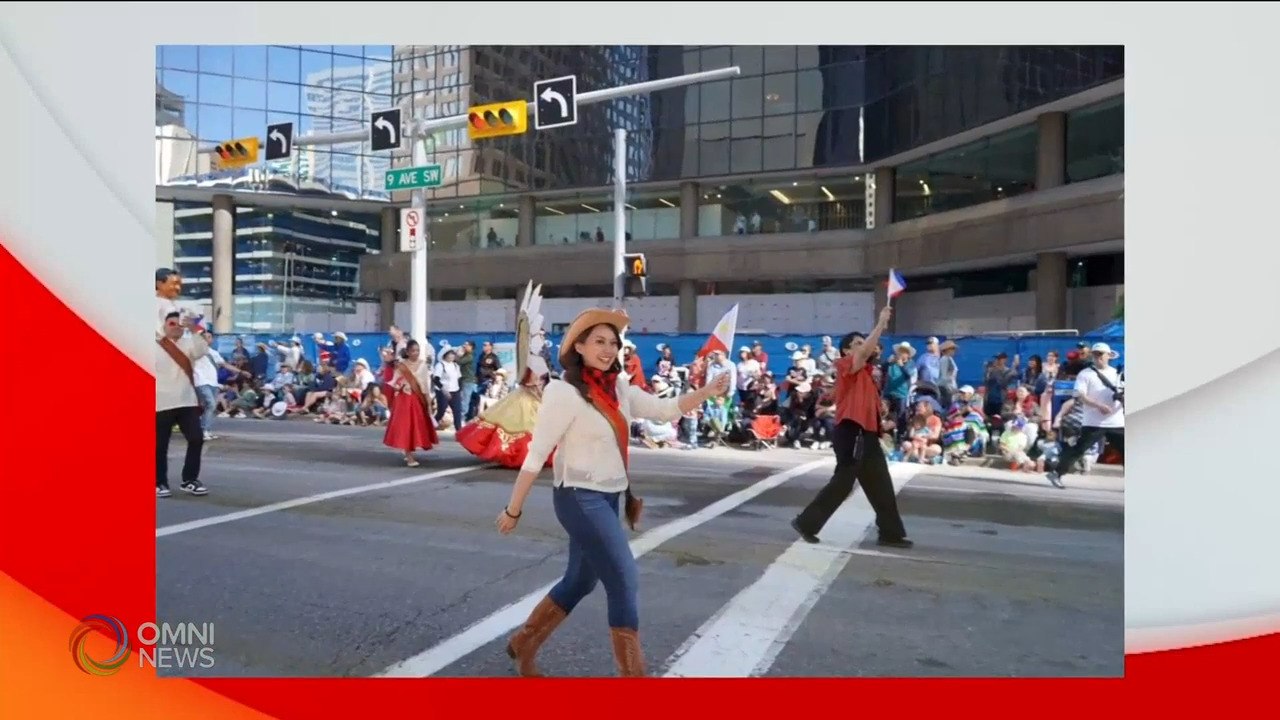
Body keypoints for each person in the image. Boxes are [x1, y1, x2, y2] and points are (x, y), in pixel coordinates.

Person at [494, 307, 732, 677]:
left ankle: (523, 645)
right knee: (624, 579)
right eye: (599, 342)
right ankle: (633, 678)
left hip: (608, 497)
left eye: (613, 343)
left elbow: (665, 409)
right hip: (578, 497)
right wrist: (513, 509)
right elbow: (536, 454)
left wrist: (705, 391)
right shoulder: (563, 391)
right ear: (580, 347)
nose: (608, 349)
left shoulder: (618, 386)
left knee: (580, 580)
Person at [790, 305, 912, 549]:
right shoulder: (846, 365)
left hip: (866, 434)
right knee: (843, 482)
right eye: (857, 342)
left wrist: (882, 415)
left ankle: (890, 532)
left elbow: (869, 405)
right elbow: (865, 352)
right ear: (846, 349)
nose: (862, 345)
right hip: (851, 431)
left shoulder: (867, 374)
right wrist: (881, 324)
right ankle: (807, 522)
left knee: (881, 485)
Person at [1045, 342, 1124, 489]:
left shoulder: (1117, 374)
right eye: (1095, 354)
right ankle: (1056, 473)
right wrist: (1099, 405)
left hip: (1116, 421)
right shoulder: (1085, 374)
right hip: (1094, 421)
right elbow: (1080, 395)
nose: (1098, 357)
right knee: (1079, 449)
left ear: (1109, 356)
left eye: (1101, 354)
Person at [156, 311, 210, 498]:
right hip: (160, 402)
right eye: (172, 324)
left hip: (187, 401)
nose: (176, 327)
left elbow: (203, 350)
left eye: (179, 324)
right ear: (164, 326)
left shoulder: (189, 344)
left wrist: (195, 329)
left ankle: (189, 480)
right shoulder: (154, 347)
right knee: (159, 445)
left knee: (196, 439)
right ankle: (159, 482)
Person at [382, 339, 439, 467]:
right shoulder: (402, 365)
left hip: (416, 398)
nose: (416, 353)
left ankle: (409, 452)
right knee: (406, 427)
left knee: (415, 427)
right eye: (413, 350)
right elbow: (394, 381)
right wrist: (398, 385)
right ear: (407, 352)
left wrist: (428, 401)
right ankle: (409, 455)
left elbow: (425, 385)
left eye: (417, 350)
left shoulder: (422, 365)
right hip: (404, 398)